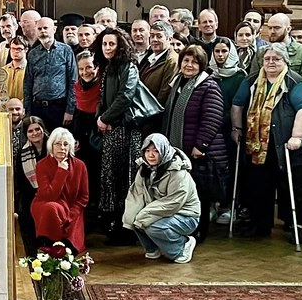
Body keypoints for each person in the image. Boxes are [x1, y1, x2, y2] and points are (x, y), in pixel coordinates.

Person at [232, 42, 302, 243]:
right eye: (267, 59)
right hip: (258, 144)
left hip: (286, 144)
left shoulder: (294, 81)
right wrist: (237, 129)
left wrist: (297, 137)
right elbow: (237, 105)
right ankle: (260, 224)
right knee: (259, 184)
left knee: (292, 186)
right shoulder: (252, 79)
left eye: (276, 59)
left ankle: (296, 224)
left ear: (285, 61)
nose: (271, 62)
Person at [161, 45, 225, 243]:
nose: (189, 65)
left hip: (198, 152)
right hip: (178, 150)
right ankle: (182, 229)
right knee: (181, 192)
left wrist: (201, 145)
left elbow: (212, 118)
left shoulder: (208, 86)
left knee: (198, 194)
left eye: (194, 62)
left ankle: (199, 230)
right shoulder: (178, 83)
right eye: (186, 61)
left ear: (202, 65)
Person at [93, 28, 143, 242]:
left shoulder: (128, 66)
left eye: (111, 44)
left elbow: (125, 97)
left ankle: (127, 228)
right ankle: (113, 222)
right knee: (111, 177)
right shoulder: (108, 67)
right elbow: (103, 97)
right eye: (104, 44)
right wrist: (100, 117)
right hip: (112, 129)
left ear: (120, 45)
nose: (107, 48)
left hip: (126, 130)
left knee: (125, 177)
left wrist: (105, 118)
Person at [123, 133, 201, 263]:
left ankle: (182, 247)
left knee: (151, 225)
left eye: (155, 151)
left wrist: (144, 214)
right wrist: (131, 217)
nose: (151, 155)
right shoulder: (144, 168)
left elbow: (173, 202)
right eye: (147, 151)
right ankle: (153, 248)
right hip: (160, 211)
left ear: (163, 151)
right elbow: (137, 194)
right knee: (134, 219)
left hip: (186, 215)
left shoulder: (178, 171)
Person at [31, 127, 89, 253]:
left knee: (69, 247)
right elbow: (49, 195)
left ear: (70, 147)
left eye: (65, 144)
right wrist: (61, 172)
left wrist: (71, 215)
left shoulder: (80, 165)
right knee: (51, 208)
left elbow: (83, 197)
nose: (62, 148)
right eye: (58, 144)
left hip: (71, 207)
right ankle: (46, 241)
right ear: (51, 146)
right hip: (45, 202)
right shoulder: (42, 165)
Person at [212, 36, 246, 224]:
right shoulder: (209, 74)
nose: (220, 55)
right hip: (211, 131)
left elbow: (236, 104)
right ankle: (214, 204)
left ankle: (230, 207)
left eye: (224, 51)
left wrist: (221, 120)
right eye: (217, 51)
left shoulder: (239, 76)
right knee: (213, 169)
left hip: (228, 130)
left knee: (231, 168)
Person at [24, 17, 77, 132]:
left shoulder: (66, 50)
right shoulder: (32, 54)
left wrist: (70, 110)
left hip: (59, 107)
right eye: (39, 29)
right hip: (37, 107)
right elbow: (28, 82)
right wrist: (28, 110)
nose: (43, 31)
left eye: (45, 28)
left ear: (54, 29)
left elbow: (73, 80)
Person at [250, 13, 302, 84]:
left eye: (277, 28)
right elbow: (253, 79)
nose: (272, 31)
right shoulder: (261, 51)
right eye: (270, 28)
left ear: (288, 29)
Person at [71, 51, 101, 202]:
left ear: (96, 67)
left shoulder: (103, 86)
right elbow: (78, 113)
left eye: (89, 67)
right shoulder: (77, 86)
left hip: (98, 133)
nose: (85, 72)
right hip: (81, 134)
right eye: (81, 69)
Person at [16, 116, 49, 236]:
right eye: (30, 131)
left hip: (53, 191)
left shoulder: (54, 146)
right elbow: (21, 179)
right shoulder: (22, 152)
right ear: (26, 134)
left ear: (43, 129)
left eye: (37, 129)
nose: (35, 133)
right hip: (32, 192)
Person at [140, 21, 178, 106]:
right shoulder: (149, 56)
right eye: (152, 36)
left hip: (153, 111)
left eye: (159, 36)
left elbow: (165, 93)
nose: (154, 40)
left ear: (169, 39)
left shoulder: (172, 61)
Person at [2, 35, 28, 101]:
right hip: (5, 107)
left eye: (19, 49)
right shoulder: (3, 70)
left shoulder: (30, 70)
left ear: (26, 50)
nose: (15, 51)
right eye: (13, 48)